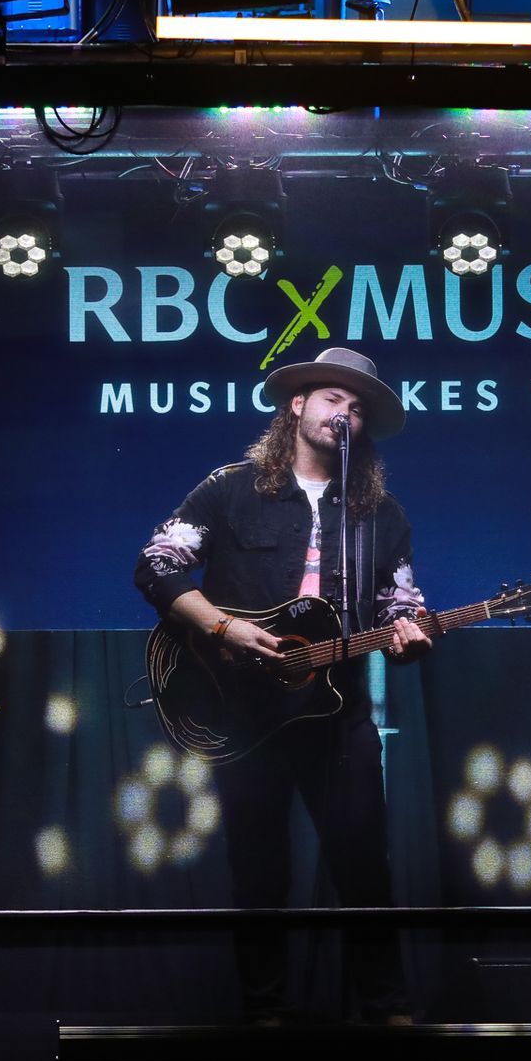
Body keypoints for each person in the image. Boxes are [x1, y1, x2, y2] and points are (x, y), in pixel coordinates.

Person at [133, 346, 430, 1024]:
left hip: (338, 718)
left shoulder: (383, 517)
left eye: (358, 409)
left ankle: (390, 1016)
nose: (344, 414)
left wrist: (412, 632)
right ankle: (264, 1017)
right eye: (333, 399)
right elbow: (156, 565)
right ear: (297, 405)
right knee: (258, 873)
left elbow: (400, 607)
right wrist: (222, 629)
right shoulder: (229, 489)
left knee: (364, 866)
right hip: (245, 715)